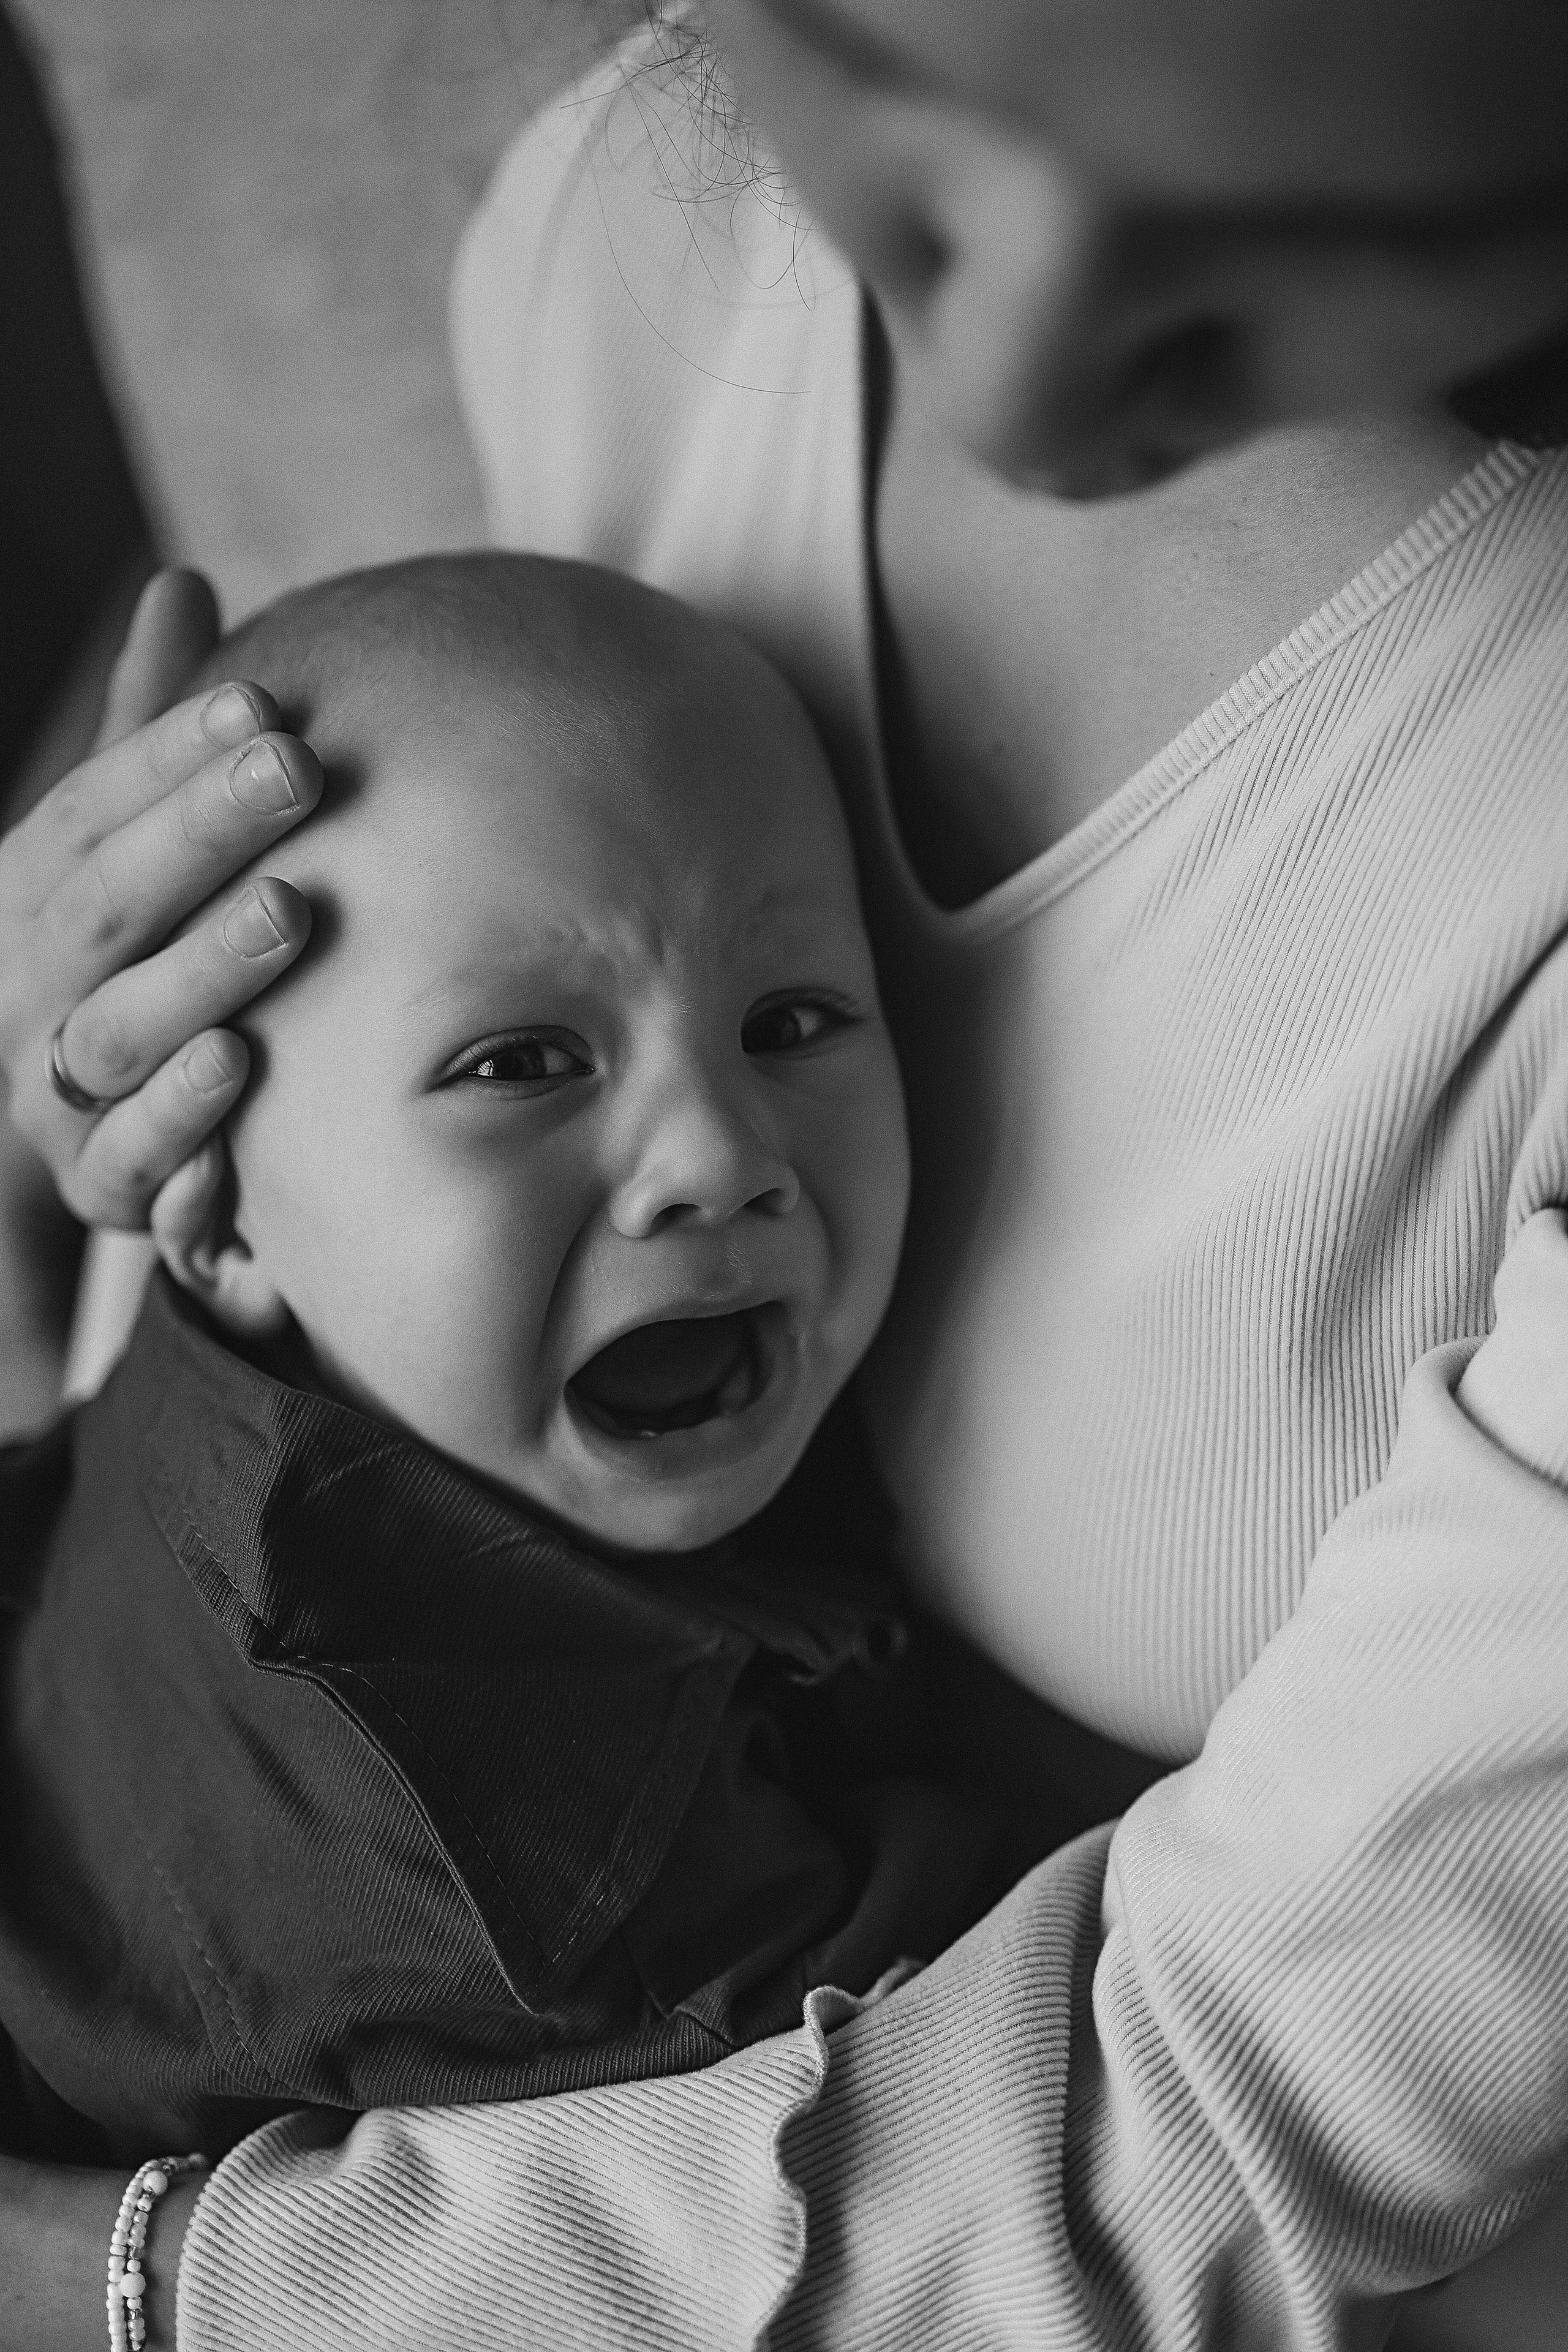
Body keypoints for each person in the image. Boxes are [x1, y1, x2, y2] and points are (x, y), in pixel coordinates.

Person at [4, 0, 1568, 2345]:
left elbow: (1207, 2131)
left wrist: (123, 2286)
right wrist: (75, 1094)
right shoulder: (627, 219)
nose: (1029, 394)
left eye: (1331, 229)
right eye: (916, 136)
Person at [1, 551, 1018, 2184]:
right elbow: (923, 2115)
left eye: (796, 1020)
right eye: (522, 1062)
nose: (715, 1155)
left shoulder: (295, 1345)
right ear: (214, 1213)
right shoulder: (551, 1897)